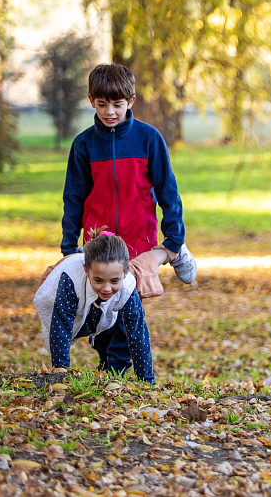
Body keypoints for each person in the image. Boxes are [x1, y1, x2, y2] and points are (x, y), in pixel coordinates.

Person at [59, 63, 196, 374]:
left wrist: (174, 238)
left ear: (131, 101)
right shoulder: (84, 144)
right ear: (91, 100)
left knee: (128, 312)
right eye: (103, 103)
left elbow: (168, 191)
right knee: (103, 311)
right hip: (98, 246)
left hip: (137, 246)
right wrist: (70, 244)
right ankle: (108, 361)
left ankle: (117, 373)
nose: (110, 111)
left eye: (117, 104)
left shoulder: (149, 139)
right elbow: (74, 198)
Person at [34, 229, 155, 384]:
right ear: (86, 271)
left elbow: (138, 335)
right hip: (58, 301)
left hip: (98, 309)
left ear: (125, 272)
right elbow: (61, 327)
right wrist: (60, 375)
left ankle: (107, 367)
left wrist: (147, 381)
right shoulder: (71, 279)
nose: (106, 288)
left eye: (114, 281)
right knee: (68, 328)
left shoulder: (128, 286)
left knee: (108, 325)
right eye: (98, 280)